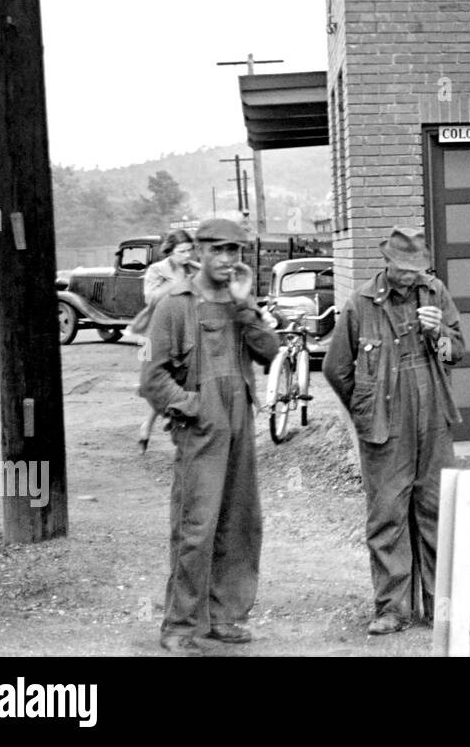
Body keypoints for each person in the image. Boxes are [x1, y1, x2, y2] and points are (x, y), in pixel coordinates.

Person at [140, 218, 280, 654]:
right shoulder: (174, 305)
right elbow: (152, 379)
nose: (226, 260)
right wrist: (194, 407)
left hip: (241, 421)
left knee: (240, 522)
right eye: (217, 250)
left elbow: (270, 352)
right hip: (201, 427)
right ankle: (180, 626)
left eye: (234, 252)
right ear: (198, 252)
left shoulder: (240, 300)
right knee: (195, 526)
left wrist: (246, 307)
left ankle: (224, 617)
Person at [323, 226, 464, 636]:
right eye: (403, 269)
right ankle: (392, 608)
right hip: (386, 420)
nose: (410, 276)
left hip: (433, 414)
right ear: (387, 262)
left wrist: (438, 333)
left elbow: (457, 353)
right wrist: (364, 409)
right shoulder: (361, 304)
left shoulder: (435, 293)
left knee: (437, 509)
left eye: (417, 269)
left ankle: (441, 605)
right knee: (387, 515)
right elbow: (336, 368)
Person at [131, 229, 198, 452]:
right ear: (170, 251)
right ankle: (151, 423)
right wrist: (175, 284)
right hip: (154, 331)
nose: (187, 255)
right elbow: (150, 298)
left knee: (179, 375)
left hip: (183, 330)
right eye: (182, 251)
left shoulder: (194, 270)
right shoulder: (156, 270)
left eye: (190, 250)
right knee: (152, 378)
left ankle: (156, 422)